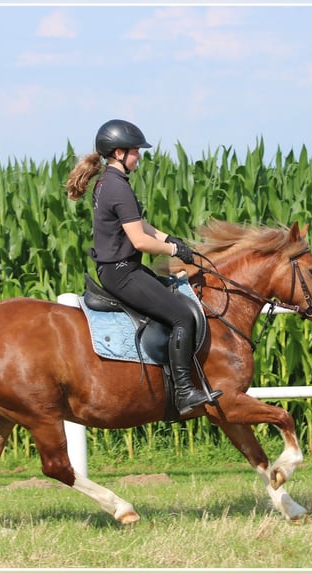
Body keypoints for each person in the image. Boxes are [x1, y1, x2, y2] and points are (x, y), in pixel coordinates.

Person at [66, 119, 220, 415]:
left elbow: (139, 225)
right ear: (119, 153)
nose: (140, 156)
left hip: (119, 269)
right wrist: (175, 250)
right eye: (136, 150)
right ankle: (185, 392)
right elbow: (138, 241)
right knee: (181, 317)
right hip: (123, 273)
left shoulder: (110, 182)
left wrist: (167, 237)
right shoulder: (117, 187)